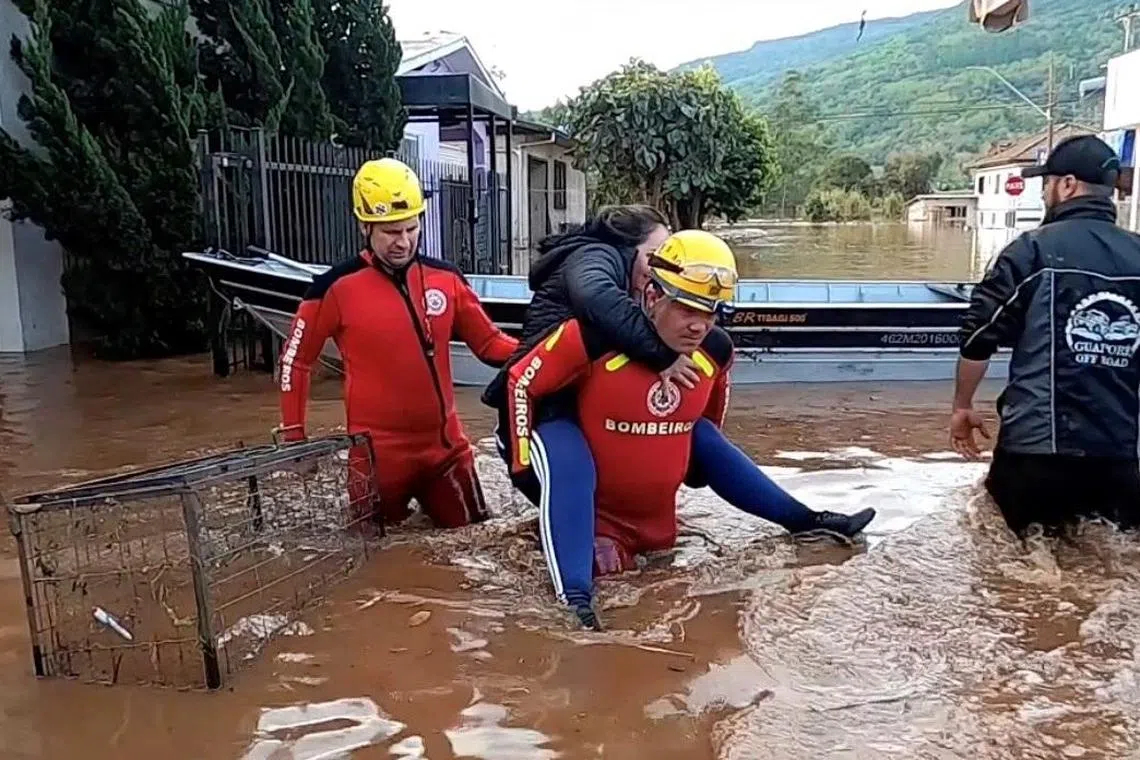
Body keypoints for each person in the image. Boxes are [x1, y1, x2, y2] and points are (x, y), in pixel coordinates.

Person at [503, 230, 876, 629]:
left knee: (702, 440)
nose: (699, 326)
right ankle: (573, 601)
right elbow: (520, 382)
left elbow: (710, 424)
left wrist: (695, 465)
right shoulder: (590, 339)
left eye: (710, 312)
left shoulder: (717, 352)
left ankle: (809, 521)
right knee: (598, 549)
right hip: (596, 515)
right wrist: (523, 464)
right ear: (651, 296)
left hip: (657, 521)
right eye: (687, 309)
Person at [277, 157, 518, 529]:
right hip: (376, 458)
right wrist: (295, 436)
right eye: (391, 232)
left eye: (411, 228)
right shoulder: (333, 289)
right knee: (372, 558)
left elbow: (489, 345)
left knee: (475, 541)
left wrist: (549, 351)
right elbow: (296, 362)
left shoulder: (446, 279)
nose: (404, 242)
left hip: (447, 451)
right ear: (364, 225)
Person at [950, 134, 1140, 536]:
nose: (1042, 193)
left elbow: (978, 336)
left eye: (1046, 183)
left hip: (1036, 452)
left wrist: (962, 406)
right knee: (1110, 567)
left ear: (1067, 185)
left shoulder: (1030, 251)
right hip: (1121, 455)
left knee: (1009, 566)